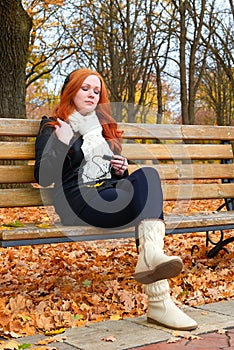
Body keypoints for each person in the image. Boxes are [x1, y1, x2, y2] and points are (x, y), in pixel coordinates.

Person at [34, 68, 197, 330]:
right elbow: (43, 178)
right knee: (143, 204)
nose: (91, 95)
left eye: (96, 91)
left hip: (106, 192)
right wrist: (62, 143)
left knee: (147, 176)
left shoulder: (102, 128)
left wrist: (119, 169)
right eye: (85, 88)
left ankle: (153, 267)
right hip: (77, 200)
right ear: (71, 90)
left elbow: (107, 173)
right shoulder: (53, 126)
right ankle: (160, 302)